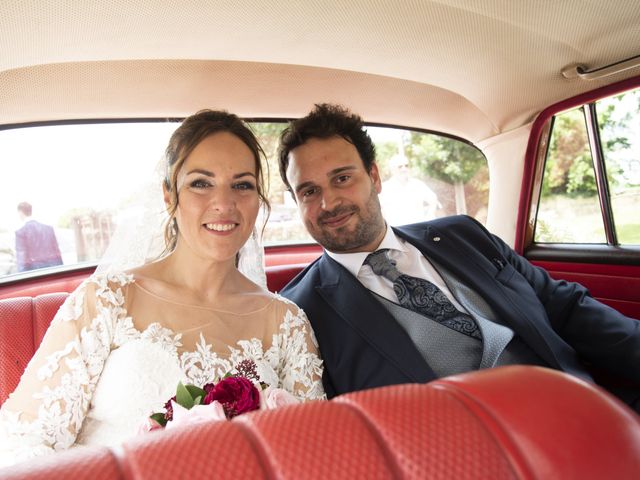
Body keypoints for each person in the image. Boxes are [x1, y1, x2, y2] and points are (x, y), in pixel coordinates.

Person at [0, 110, 325, 466]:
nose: (224, 203)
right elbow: (22, 441)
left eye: (242, 184)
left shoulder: (288, 324)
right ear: (169, 195)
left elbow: (309, 455)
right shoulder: (107, 301)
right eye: (201, 183)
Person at [277, 103, 640, 411]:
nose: (329, 203)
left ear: (374, 176)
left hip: (581, 408)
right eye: (309, 191)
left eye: (342, 178)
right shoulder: (297, 312)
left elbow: (564, 306)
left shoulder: (463, 235)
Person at [380, 153, 440, 223]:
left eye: (406, 166)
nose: (404, 169)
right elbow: (379, 210)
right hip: (396, 231)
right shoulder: (384, 188)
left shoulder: (417, 184)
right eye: (400, 167)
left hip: (416, 231)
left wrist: (429, 216)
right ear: (392, 170)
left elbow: (433, 199)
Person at [14, 201, 63, 272]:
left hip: (36, 274)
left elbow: (22, 259)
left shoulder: (20, 232)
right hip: (54, 270)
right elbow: (57, 252)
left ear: (20, 212)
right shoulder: (49, 229)